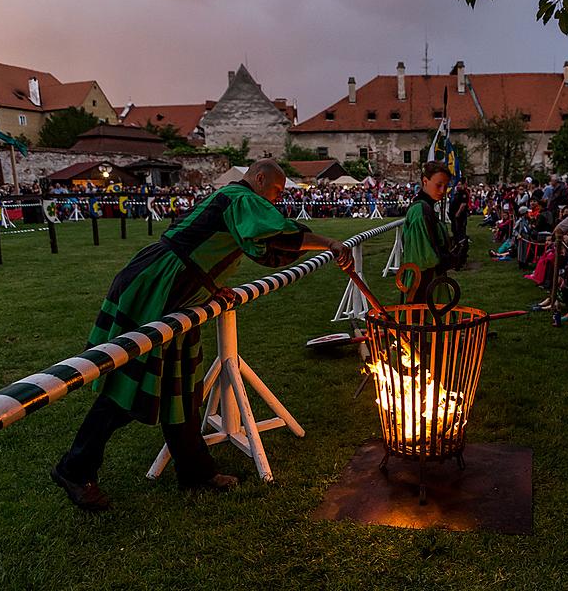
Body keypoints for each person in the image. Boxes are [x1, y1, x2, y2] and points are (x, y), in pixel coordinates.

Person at [51, 160, 352, 511]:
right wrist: (329, 242)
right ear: (259, 179)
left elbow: (251, 248)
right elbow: (274, 234)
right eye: (276, 191)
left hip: (183, 292)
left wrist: (211, 287)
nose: (275, 200)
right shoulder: (238, 197)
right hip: (158, 287)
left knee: (182, 387)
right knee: (129, 386)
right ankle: (75, 468)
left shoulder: (236, 203)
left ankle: (194, 471)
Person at [401, 161, 466, 302]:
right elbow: (424, 257)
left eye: (446, 186)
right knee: (422, 321)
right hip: (423, 281)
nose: (442, 191)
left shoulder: (427, 208)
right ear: (425, 181)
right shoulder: (420, 211)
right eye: (438, 185)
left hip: (432, 278)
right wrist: (451, 260)